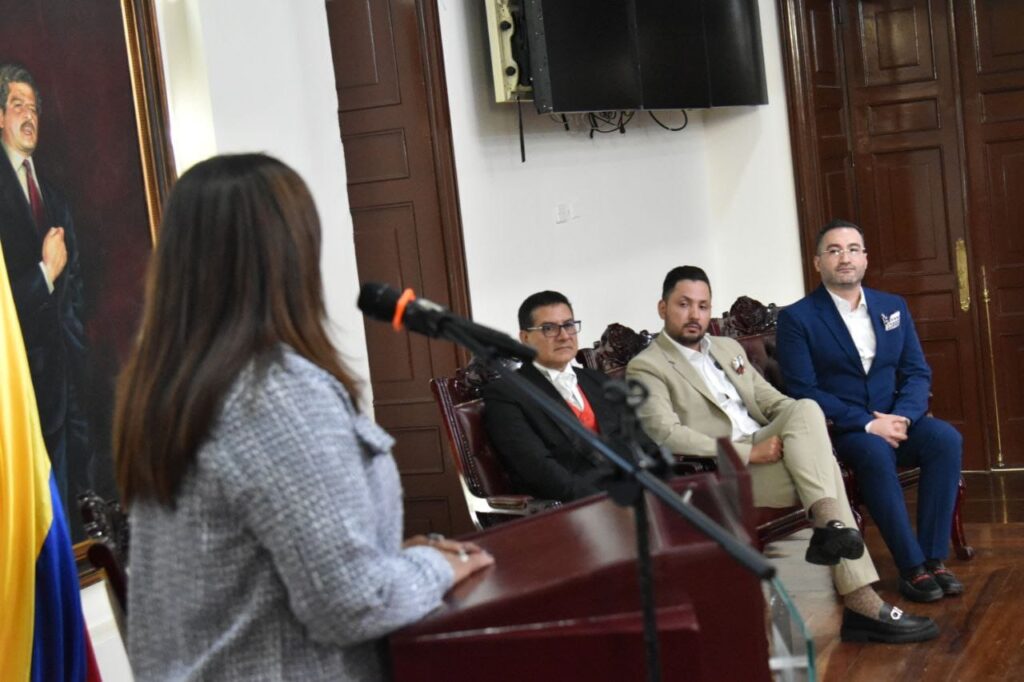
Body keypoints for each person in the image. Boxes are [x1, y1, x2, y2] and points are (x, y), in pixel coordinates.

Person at [113, 154, 493, 680]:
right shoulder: (273, 394)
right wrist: (436, 566)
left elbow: (263, 564)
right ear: (290, 254)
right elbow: (352, 605)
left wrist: (386, 561)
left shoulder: (175, 385)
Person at [626, 265, 938, 643]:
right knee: (825, 475)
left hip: (774, 451)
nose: (695, 315)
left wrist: (800, 428)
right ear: (662, 307)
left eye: (703, 306)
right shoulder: (647, 367)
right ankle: (858, 596)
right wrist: (748, 452)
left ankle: (832, 532)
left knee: (804, 406)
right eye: (684, 304)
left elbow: (772, 401)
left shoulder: (726, 348)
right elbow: (667, 433)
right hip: (724, 472)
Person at [776, 219, 964, 604]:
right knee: (875, 452)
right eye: (834, 250)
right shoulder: (797, 318)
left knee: (945, 439)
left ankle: (934, 558)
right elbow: (802, 389)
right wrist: (866, 423)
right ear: (818, 262)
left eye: (853, 249)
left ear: (865, 258)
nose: (845, 258)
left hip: (896, 420)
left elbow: (916, 372)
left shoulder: (892, 306)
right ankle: (911, 567)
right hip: (844, 430)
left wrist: (903, 418)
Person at [0, 63, 88, 519]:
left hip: (70, 383)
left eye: (34, 108)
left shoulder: (55, 197)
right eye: (18, 105)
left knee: (78, 510)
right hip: (19, 392)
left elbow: (76, 291)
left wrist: (77, 349)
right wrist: (44, 273)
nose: (29, 116)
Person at [483, 291, 655, 502]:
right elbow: (539, 470)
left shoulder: (598, 380)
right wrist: (607, 501)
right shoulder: (507, 393)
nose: (564, 336)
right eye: (549, 328)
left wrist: (661, 483)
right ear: (525, 338)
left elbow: (640, 441)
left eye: (569, 325)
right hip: (578, 506)